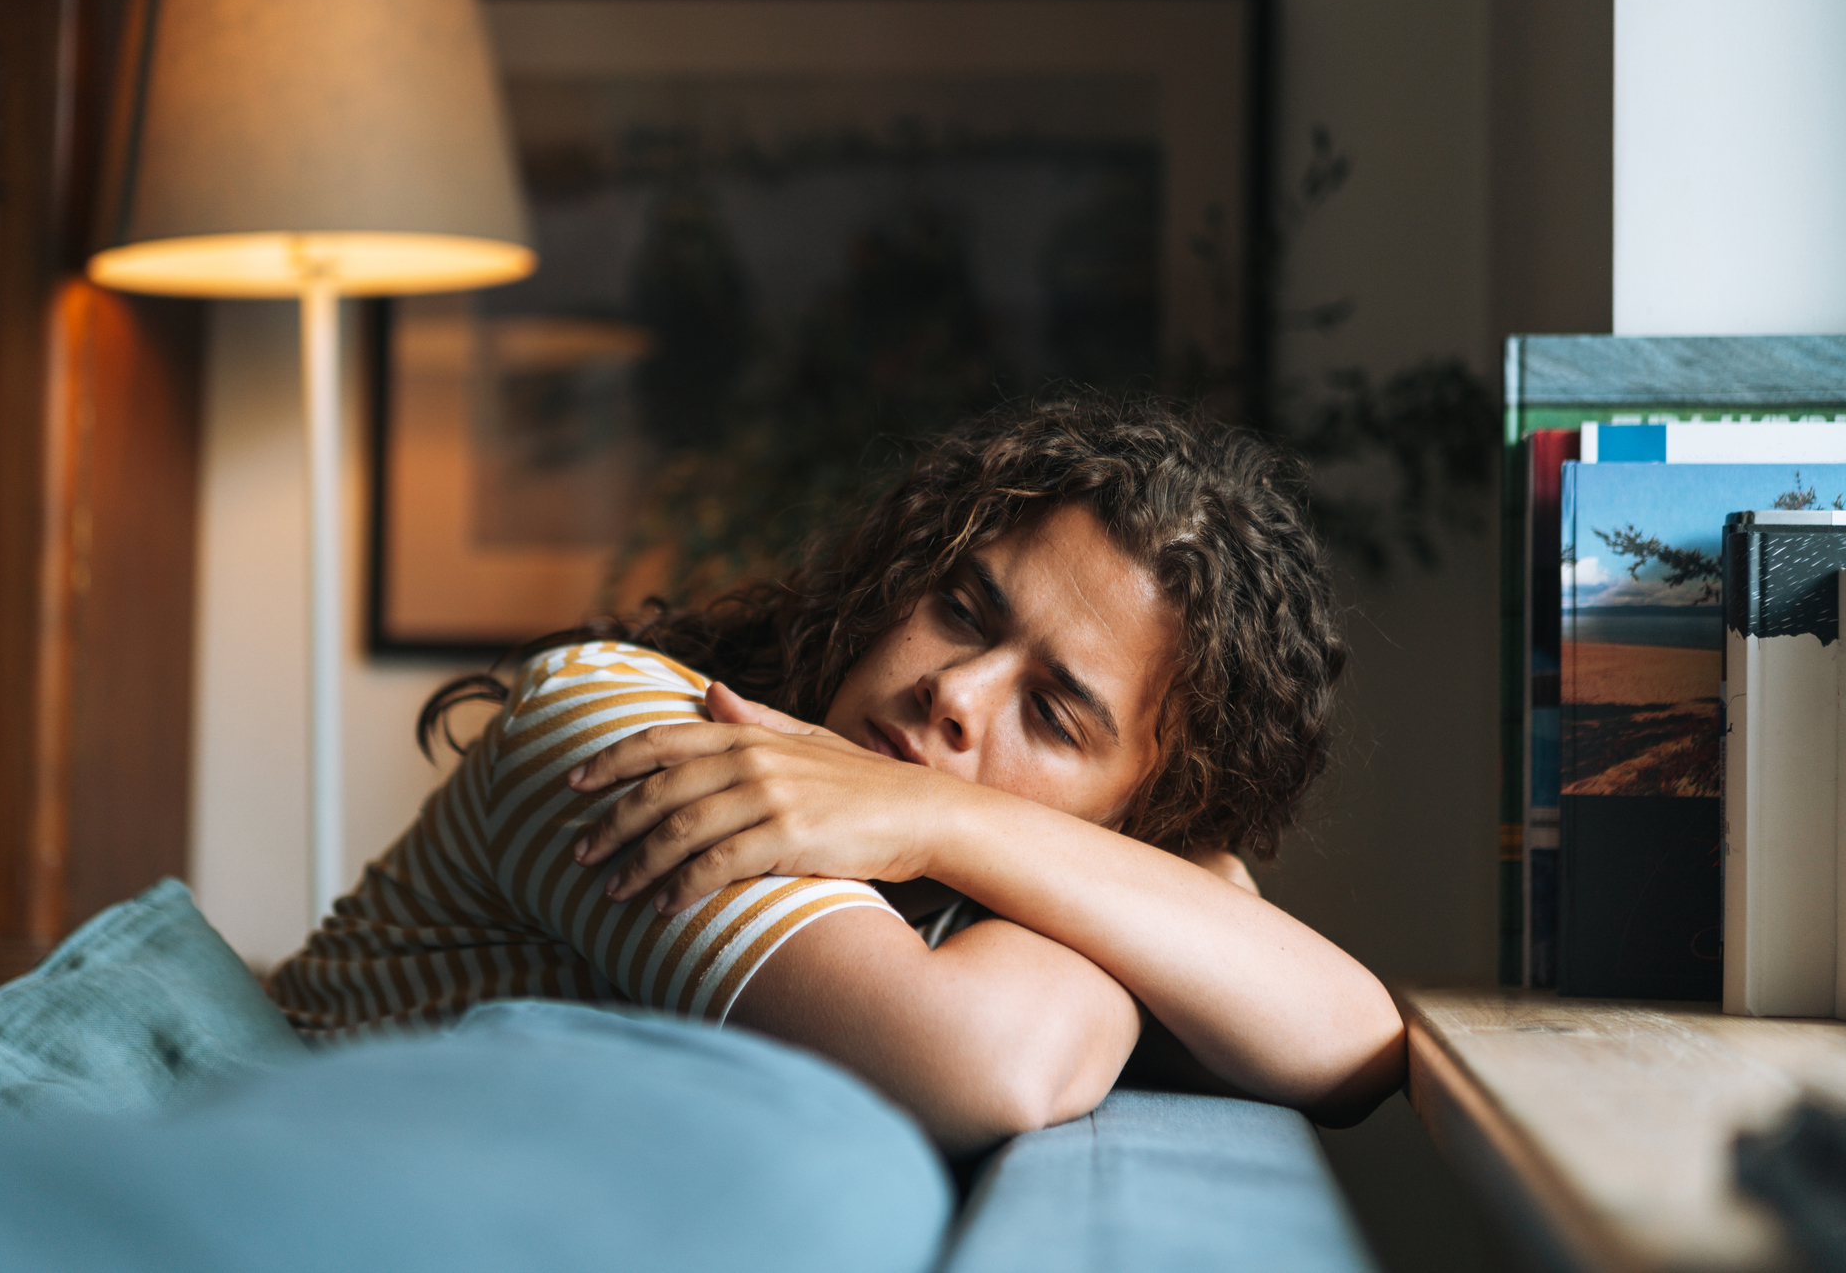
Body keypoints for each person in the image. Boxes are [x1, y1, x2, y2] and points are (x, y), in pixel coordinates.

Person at [268, 395, 1405, 1152]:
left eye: (1053, 713)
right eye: (961, 610)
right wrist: (1117, 881)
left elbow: (1355, 1040)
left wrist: (936, 820)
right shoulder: (622, 723)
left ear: (1136, 811)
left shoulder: (959, 877)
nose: (956, 693)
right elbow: (983, 1064)